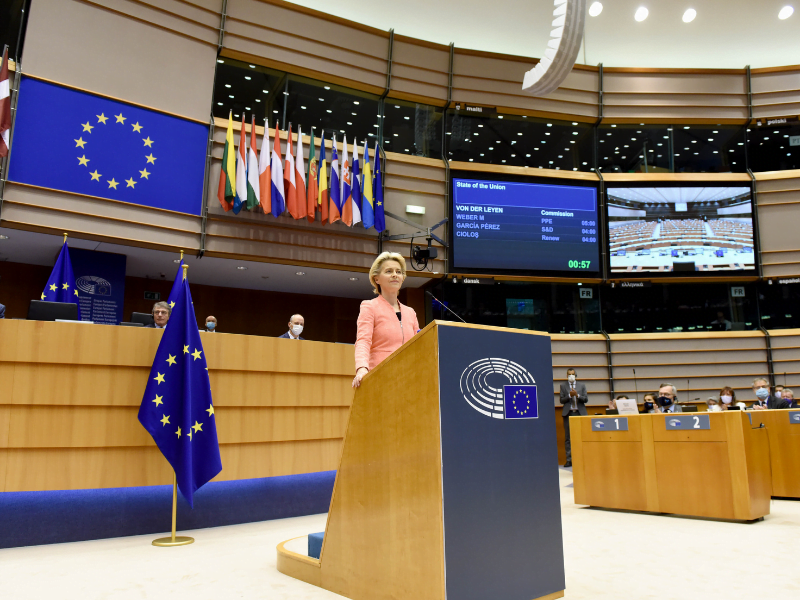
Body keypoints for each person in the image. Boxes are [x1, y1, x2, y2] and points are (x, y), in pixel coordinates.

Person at [352, 253, 420, 388]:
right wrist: (362, 368)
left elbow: (417, 347)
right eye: (389, 271)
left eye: (398, 272)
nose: (395, 275)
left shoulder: (411, 312)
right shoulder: (369, 307)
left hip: (408, 378)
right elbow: (363, 341)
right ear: (376, 279)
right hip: (380, 377)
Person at [559, 368, 588, 468]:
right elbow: (561, 400)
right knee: (568, 438)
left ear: (576, 375)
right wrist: (569, 395)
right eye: (569, 374)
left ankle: (582, 458)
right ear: (566, 376)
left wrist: (577, 395)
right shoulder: (563, 386)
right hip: (568, 414)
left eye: (572, 374)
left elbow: (586, 399)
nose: (571, 376)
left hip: (580, 413)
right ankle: (569, 460)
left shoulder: (582, 385)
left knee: (582, 436)